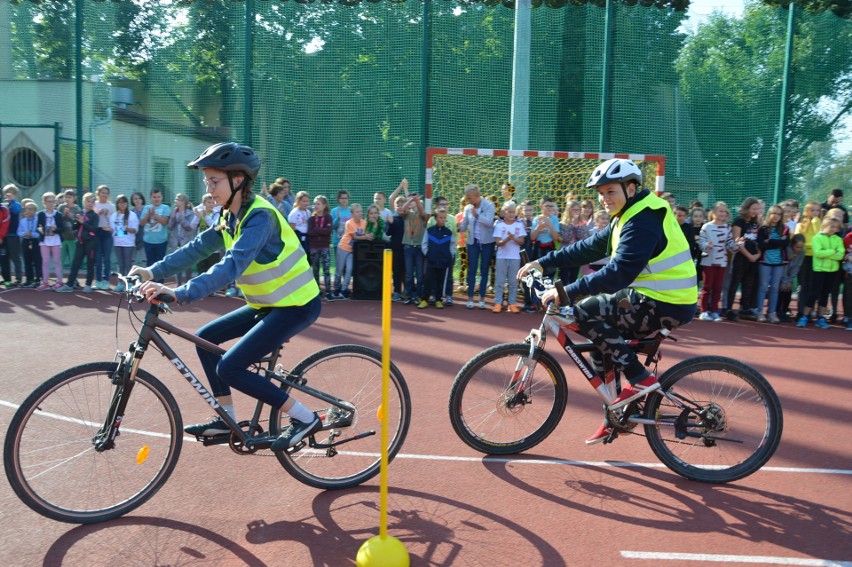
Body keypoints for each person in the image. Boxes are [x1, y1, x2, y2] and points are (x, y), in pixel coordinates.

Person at [129, 142, 322, 452]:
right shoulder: (229, 215)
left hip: (296, 306)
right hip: (267, 305)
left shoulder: (260, 218)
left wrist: (180, 293)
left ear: (238, 180)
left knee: (229, 368)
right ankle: (226, 419)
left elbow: (231, 265)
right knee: (205, 340)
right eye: (207, 181)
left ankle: (304, 418)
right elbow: (198, 248)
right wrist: (152, 272)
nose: (209, 188)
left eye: (214, 181)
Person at [517, 158, 697, 445]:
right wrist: (542, 262)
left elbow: (618, 274)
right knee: (601, 344)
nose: (603, 199)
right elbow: (587, 247)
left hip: (666, 302)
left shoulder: (644, 219)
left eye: (610, 191)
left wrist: (566, 291)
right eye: (600, 193)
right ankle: (614, 417)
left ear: (631, 187)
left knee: (585, 312)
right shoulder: (627, 215)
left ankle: (640, 378)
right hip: (654, 296)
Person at [797, 217, 844, 329]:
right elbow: (818, 253)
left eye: (836, 227)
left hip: (832, 271)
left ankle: (821, 318)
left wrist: (830, 253)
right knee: (814, 294)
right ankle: (805, 316)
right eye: (831, 226)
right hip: (819, 271)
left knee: (825, 295)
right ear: (823, 226)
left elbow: (841, 254)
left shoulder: (838, 239)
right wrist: (833, 251)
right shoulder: (817, 238)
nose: (833, 229)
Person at [697, 201, 740, 321]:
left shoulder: (727, 228)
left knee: (717, 288)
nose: (723, 214)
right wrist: (707, 245)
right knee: (707, 287)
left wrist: (736, 245)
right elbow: (700, 242)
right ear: (714, 212)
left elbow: (730, 244)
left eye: (725, 212)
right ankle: (704, 311)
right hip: (708, 261)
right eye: (720, 211)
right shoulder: (707, 227)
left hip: (722, 262)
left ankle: (715, 311)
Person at [459, 184, 496, 310]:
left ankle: (481, 298)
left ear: (477, 196)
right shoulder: (468, 208)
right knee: (472, 269)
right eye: (467, 198)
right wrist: (458, 226)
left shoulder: (489, 206)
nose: (468, 200)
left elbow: (490, 222)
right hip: (473, 242)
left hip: (487, 242)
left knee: (484, 269)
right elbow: (464, 224)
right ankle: (470, 298)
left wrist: (477, 216)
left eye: (470, 198)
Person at [724, 197, 761, 320]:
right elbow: (737, 241)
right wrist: (749, 255)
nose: (755, 211)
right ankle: (728, 308)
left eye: (757, 209)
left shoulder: (755, 222)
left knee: (748, 284)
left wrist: (757, 255)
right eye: (753, 208)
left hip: (753, 259)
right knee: (735, 283)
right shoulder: (739, 221)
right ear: (747, 208)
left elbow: (758, 240)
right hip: (741, 257)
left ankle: (744, 308)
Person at [56, 192, 99, 293]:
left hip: (91, 243)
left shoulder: (94, 215)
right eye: (88, 201)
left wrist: (83, 222)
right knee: (75, 263)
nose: (90, 203)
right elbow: (75, 227)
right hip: (80, 242)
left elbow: (94, 229)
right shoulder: (82, 213)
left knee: (90, 264)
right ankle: (70, 284)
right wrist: (72, 218)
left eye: (92, 201)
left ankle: (88, 285)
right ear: (84, 202)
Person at [754, 204, 790, 323]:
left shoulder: (785, 229)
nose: (776, 216)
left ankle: (772, 312)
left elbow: (785, 244)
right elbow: (762, 244)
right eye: (773, 213)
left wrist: (770, 241)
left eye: (778, 214)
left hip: (779, 262)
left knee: (775, 287)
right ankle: (760, 312)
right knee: (763, 286)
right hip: (765, 262)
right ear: (769, 214)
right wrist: (778, 242)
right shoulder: (763, 228)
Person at [491, 201, 526, 313]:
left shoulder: (519, 225)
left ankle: (512, 303)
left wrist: (513, 238)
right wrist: (507, 239)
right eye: (509, 212)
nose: (511, 214)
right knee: (500, 281)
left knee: (513, 282)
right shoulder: (499, 225)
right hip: (501, 257)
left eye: (513, 212)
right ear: (504, 213)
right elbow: (498, 243)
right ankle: (498, 303)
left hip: (515, 257)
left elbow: (521, 242)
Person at [419, 208, 455, 309]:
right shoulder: (430, 231)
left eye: (444, 218)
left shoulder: (448, 232)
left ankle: (438, 299)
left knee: (440, 280)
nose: (443, 219)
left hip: (443, 261)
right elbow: (424, 244)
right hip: (431, 261)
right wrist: (428, 254)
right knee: (428, 280)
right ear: (435, 218)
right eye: (440, 217)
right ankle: (424, 299)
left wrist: (450, 256)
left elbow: (452, 245)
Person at [793, 201, 823, 319]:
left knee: (812, 284)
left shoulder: (819, 223)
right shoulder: (800, 225)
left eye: (817, 210)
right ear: (807, 211)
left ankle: (808, 311)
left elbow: (819, 238)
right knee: (803, 284)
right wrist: (810, 245)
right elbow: (798, 240)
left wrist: (816, 222)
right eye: (813, 210)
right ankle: (800, 311)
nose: (815, 213)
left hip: (815, 257)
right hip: (802, 257)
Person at [336, 202, 368, 299]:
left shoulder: (364, 223)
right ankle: (336, 289)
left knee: (350, 269)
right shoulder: (349, 223)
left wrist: (367, 235)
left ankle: (344, 289)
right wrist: (366, 236)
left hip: (352, 250)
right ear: (352, 214)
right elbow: (355, 237)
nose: (360, 213)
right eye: (357, 212)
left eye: (361, 211)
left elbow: (365, 233)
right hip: (343, 248)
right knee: (339, 270)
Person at [401, 192, 428, 304]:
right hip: (408, 247)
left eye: (416, 202)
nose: (414, 203)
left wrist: (417, 201)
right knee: (409, 273)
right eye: (412, 201)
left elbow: (423, 214)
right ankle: (408, 295)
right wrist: (410, 200)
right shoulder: (407, 214)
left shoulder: (422, 214)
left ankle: (418, 295)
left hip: (419, 247)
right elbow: (402, 209)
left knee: (420, 274)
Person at [168, 193, 199, 286]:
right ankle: (178, 283)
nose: (175, 201)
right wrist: (172, 218)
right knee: (178, 262)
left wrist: (181, 216)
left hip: (186, 241)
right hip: (176, 241)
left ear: (184, 202)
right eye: (175, 199)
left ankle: (188, 283)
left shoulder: (190, 213)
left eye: (178, 199)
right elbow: (169, 227)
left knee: (187, 263)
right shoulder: (174, 211)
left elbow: (188, 227)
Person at [140, 187, 171, 280]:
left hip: (161, 241)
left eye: (158, 197)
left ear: (162, 197)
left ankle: (160, 284)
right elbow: (141, 223)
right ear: (150, 198)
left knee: (160, 263)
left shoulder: (165, 208)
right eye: (154, 197)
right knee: (149, 263)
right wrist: (149, 214)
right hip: (148, 241)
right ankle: (149, 283)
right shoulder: (146, 208)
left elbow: (165, 222)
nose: (156, 199)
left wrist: (155, 215)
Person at [110, 195, 140, 291]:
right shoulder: (114, 215)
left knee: (128, 264)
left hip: (128, 243)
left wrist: (128, 229)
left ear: (127, 204)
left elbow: (135, 230)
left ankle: (130, 284)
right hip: (117, 243)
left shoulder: (132, 215)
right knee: (120, 264)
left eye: (124, 202)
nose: (122, 204)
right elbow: (112, 230)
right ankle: (121, 283)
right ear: (117, 204)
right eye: (120, 202)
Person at [36, 192, 64, 290]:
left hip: (55, 240)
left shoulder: (58, 214)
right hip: (44, 240)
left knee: (57, 261)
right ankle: (45, 282)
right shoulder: (40, 214)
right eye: (49, 201)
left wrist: (55, 229)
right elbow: (38, 227)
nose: (51, 203)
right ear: (44, 202)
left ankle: (59, 281)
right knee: (45, 261)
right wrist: (41, 230)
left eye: (53, 201)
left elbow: (62, 228)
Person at [308, 195, 334, 300]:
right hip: (314, 247)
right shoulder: (311, 218)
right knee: (315, 269)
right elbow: (310, 232)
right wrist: (321, 230)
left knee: (326, 270)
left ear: (324, 206)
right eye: (314, 204)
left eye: (318, 204)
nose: (315, 206)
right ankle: (316, 291)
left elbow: (328, 231)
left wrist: (316, 229)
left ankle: (328, 292)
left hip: (325, 247)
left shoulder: (328, 217)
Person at [776, 233, 806, 322]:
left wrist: (790, 280)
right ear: (792, 245)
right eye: (797, 247)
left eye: (801, 247)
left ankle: (784, 311)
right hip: (781, 273)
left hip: (790, 276)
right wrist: (784, 280)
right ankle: (777, 311)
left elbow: (797, 266)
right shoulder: (787, 250)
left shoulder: (802, 252)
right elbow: (784, 266)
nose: (799, 249)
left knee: (788, 292)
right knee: (781, 290)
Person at [92, 185, 116, 290]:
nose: (104, 195)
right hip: (97, 232)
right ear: (98, 193)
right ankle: (98, 281)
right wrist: (98, 213)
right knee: (97, 258)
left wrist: (111, 229)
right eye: (102, 192)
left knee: (106, 258)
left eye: (106, 193)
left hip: (107, 233)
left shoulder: (112, 206)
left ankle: (106, 281)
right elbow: (91, 218)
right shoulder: (94, 204)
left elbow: (115, 220)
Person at [17, 201, 42, 288]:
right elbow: (19, 232)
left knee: (37, 260)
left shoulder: (38, 220)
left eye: (31, 209)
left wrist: (32, 234)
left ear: (35, 211)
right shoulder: (22, 221)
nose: (29, 211)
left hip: (35, 241)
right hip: (26, 241)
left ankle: (38, 279)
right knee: (27, 260)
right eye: (27, 209)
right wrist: (24, 234)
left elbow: (40, 233)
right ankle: (29, 279)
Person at [3, 184, 23, 286]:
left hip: (13, 235)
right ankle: (7, 277)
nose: (8, 196)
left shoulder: (17, 205)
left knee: (15, 257)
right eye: (6, 194)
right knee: (4, 257)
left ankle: (18, 277)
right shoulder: (3, 205)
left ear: (15, 195)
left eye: (11, 194)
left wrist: (12, 201)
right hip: (4, 235)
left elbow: (16, 211)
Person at [58, 189, 81, 273]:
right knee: (60, 259)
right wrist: (64, 215)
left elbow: (78, 223)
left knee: (73, 259)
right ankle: (59, 279)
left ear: (74, 198)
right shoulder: (61, 207)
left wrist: (71, 217)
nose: (67, 199)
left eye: (70, 197)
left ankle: (74, 279)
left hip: (72, 237)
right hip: (63, 237)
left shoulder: (77, 208)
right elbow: (58, 221)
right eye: (66, 197)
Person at [288, 190, 311, 256]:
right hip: (299, 239)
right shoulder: (294, 213)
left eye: (307, 201)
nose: (306, 203)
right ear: (298, 201)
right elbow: (292, 229)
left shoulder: (308, 212)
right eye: (304, 201)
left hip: (307, 239)